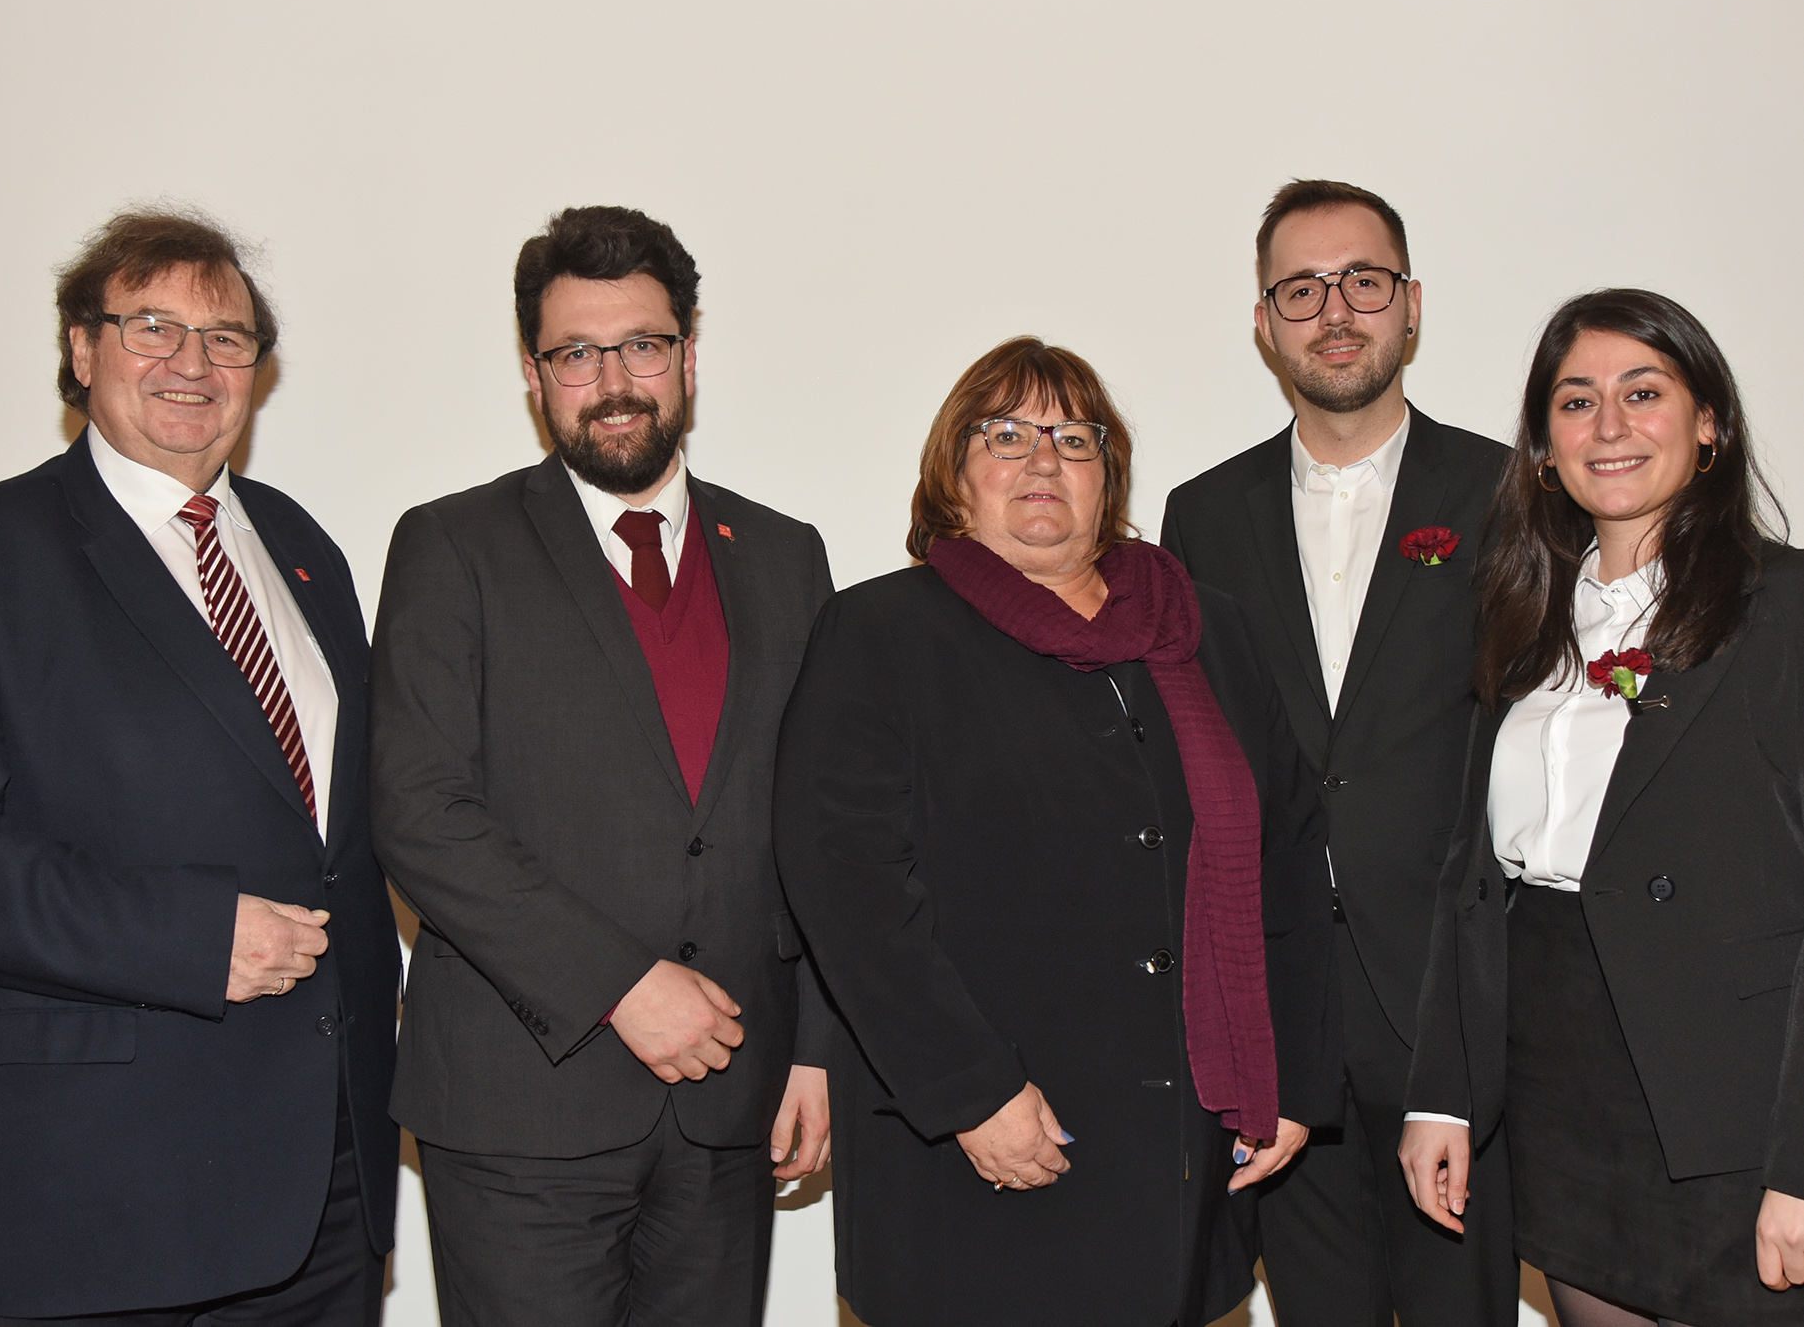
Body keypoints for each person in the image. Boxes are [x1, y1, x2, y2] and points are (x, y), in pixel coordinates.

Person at [773, 336, 1340, 1326]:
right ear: (954, 476)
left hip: (1179, 1147)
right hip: (978, 1147)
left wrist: (1289, 1071)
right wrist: (971, 1093)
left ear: (1108, 476)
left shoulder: (1205, 631)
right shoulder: (883, 632)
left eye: (1074, 438)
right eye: (1007, 435)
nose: (1044, 461)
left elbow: (1288, 861)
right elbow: (849, 887)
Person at [0, 209, 401, 1324]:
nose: (193, 363)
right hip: (81, 1200)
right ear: (83, 350)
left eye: (227, 338)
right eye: (153, 326)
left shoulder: (302, 548)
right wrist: (189, 935)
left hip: (317, 1192)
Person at [369, 205, 833, 1327]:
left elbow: (830, 823)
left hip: (734, 1101)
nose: (613, 377)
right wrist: (624, 984)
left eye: (643, 344)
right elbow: (420, 811)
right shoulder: (450, 546)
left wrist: (819, 1047)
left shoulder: (785, 553)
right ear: (534, 374)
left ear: (687, 355)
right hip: (523, 1104)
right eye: (577, 352)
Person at [1401, 288, 1804, 1326]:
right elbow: (1469, 874)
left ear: (1708, 420)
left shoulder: (1786, 607)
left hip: (1733, 1099)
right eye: (1577, 402)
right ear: (1542, 444)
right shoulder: (1520, 607)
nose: (1610, 426)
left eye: (1644, 392)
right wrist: (1444, 1089)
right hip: (1557, 1076)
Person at [1161, 179, 1518, 1327]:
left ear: (1412, 305)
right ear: (1263, 322)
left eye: (1364, 280)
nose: (1336, 310)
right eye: (1301, 288)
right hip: (1282, 1021)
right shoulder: (1199, 515)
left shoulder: (1514, 494)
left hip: (1450, 1016)